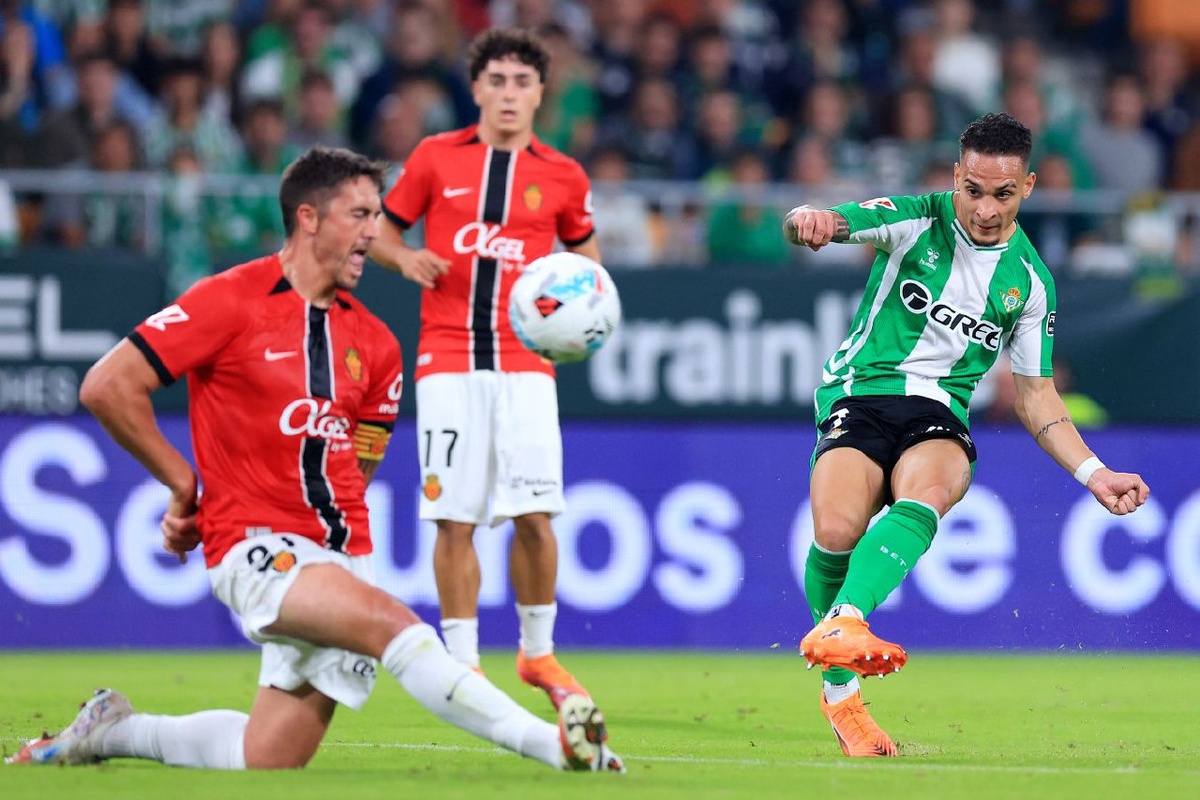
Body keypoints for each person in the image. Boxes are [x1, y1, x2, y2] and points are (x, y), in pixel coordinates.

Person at [6, 146, 623, 773]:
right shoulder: (229, 300)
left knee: (267, 756)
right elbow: (107, 386)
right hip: (256, 547)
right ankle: (558, 746)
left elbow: (359, 468)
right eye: (359, 215)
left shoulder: (378, 345)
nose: (373, 233)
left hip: (341, 555)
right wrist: (185, 484)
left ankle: (113, 731)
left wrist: (341, 559)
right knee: (392, 624)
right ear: (308, 218)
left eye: (377, 216)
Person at [781, 113, 1150, 758]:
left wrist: (1095, 473)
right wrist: (805, 221)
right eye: (973, 190)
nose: (985, 209)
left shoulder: (1029, 282)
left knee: (933, 485)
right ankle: (841, 694)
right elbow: (828, 222)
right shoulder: (915, 218)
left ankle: (844, 623)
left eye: (1002, 194)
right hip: (861, 393)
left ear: (1027, 187)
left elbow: (1036, 397)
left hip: (939, 412)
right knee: (835, 532)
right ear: (956, 176)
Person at [368, 27, 599, 711]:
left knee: (536, 514)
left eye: (521, 82)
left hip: (527, 364)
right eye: (496, 80)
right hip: (447, 359)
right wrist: (404, 257)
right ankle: (463, 663)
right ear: (475, 89)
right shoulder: (434, 157)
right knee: (453, 518)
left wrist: (579, 312)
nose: (508, 93)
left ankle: (537, 653)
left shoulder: (564, 175)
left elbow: (588, 266)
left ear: (540, 92)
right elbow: (381, 229)